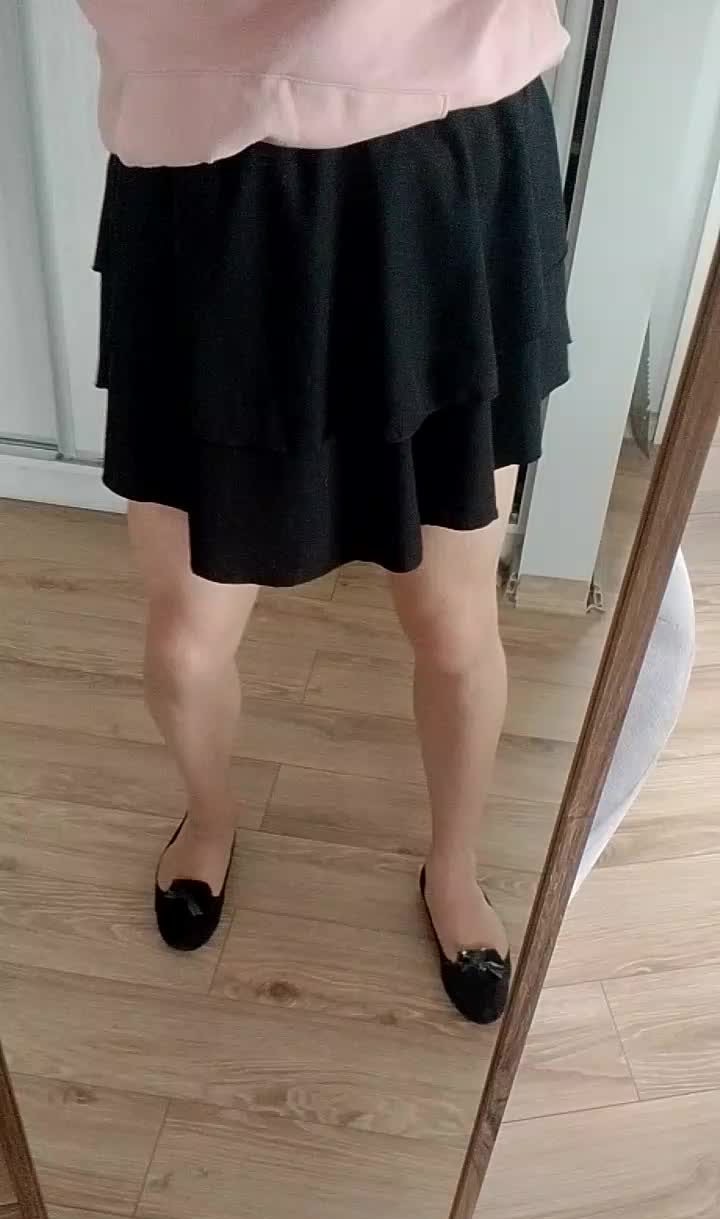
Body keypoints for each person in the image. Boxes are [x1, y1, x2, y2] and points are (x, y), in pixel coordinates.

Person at [80, 0, 571, 1024]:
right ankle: (209, 817)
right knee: (184, 641)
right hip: (204, 182)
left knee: (454, 623)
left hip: (441, 171)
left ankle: (453, 865)